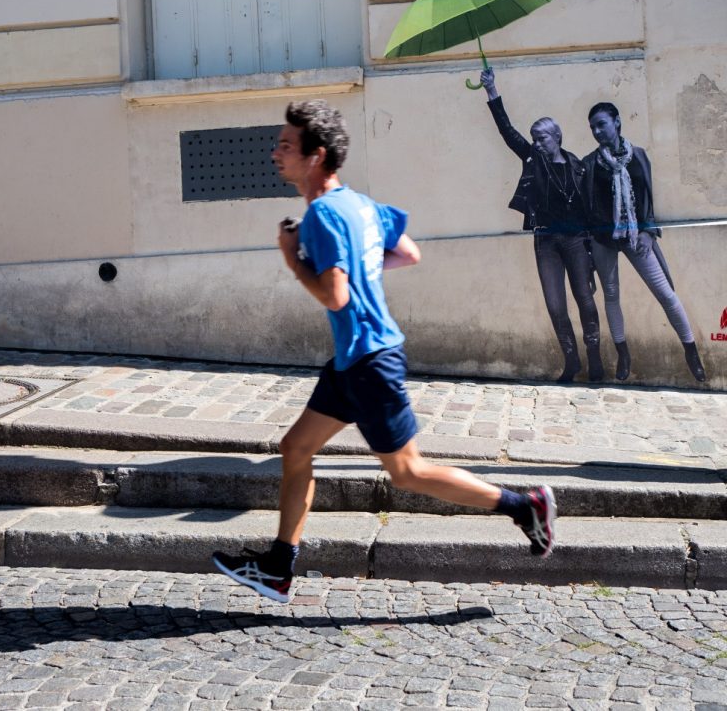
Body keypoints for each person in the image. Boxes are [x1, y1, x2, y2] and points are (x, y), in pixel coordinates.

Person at [211, 100, 557, 604]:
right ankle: (278, 566)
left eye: (286, 145)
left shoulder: (323, 217)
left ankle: (523, 505)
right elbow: (408, 252)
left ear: (317, 155)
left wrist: (293, 260)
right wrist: (360, 269)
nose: (275, 153)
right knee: (296, 448)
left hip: (369, 361)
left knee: (407, 472)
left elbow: (335, 295)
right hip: (356, 358)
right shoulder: (359, 205)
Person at [479, 68, 603, 383]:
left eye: (542, 137)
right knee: (555, 304)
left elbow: (589, 211)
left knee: (585, 299)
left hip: (576, 241)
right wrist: (492, 91)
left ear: (556, 137)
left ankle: (595, 359)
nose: (536, 143)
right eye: (534, 138)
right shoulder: (532, 160)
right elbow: (507, 132)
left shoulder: (577, 166)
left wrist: (590, 254)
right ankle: (571, 361)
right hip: (545, 241)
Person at [582, 103, 706, 382]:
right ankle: (623, 353)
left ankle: (691, 351)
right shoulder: (589, 164)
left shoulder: (638, 156)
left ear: (617, 121)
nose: (597, 131)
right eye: (592, 127)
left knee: (665, 294)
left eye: (601, 124)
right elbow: (587, 209)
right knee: (611, 296)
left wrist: (649, 232)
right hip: (603, 239)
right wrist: (589, 249)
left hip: (636, 235)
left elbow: (648, 198)